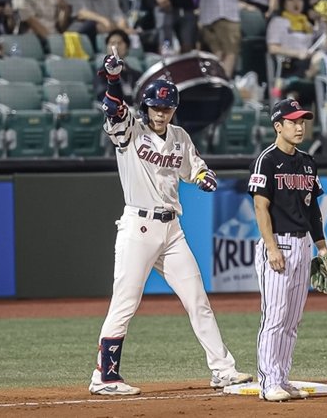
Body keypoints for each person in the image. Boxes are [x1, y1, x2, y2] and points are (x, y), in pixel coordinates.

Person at [88, 52, 253, 396]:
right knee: (125, 302)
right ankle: (104, 375)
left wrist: (205, 177)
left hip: (172, 230)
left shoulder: (180, 137)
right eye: (155, 107)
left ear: (174, 109)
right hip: (138, 227)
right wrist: (113, 79)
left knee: (197, 298)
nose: (160, 113)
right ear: (146, 106)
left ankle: (223, 369)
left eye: (166, 108)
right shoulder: (130, 131)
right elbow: (113, 109)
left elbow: (195, 168)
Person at [247, 98, 327, 402]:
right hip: (278, 244)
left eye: (303, 121)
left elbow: (314, 211)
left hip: (303, 245)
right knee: (275, 317)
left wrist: (323, 249)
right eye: (293, 121)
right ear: (278, 126)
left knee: (292, 320)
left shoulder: (308, 162)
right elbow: (260, 205)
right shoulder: (267, 160)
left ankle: (281, 378)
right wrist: (271, 248)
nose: (300, 126)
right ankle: (268, 382)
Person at [63, 0, 128, 53]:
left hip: (107, 30)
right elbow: (81, 13)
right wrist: (104, 20)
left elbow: (120, 18)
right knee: (92, 25)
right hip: (77, 34)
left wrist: (121, 28)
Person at [198, 0, 241, 79]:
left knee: (217, 53)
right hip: (227, 15)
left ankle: (216, 83)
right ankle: (223, 85)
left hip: (207, 16)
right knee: (230, 53)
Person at [93, 29, 142, 104]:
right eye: (112, 43)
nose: (115, 47)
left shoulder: (136, 74)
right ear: (107, 47)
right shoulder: (101, 73)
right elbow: (103, 96)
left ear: (127, 47)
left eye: (119, 43)